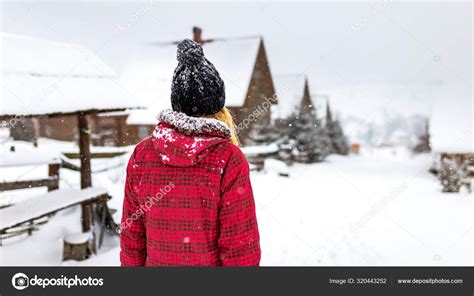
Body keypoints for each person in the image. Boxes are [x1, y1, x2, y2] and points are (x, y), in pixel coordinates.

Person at [120, 39, 260, 266]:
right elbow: (240, 249)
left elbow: (131, 238)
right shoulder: (228, 159)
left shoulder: (142, 155)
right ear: (219, 109)